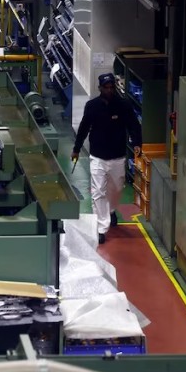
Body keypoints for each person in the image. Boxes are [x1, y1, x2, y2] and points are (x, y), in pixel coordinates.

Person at [72, 72, 142, 244]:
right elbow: (83, 127)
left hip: (117, 156)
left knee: (117, 188)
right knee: (98, 192)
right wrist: (76, 148)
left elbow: (134, 125)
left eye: (112, 87)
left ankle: (111, 210)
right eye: (106, 87)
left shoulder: (123, 105)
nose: (110, 90)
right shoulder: (92, 106)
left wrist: (138, 143)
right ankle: (102, 228)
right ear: (100, 88)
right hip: (97, 157)